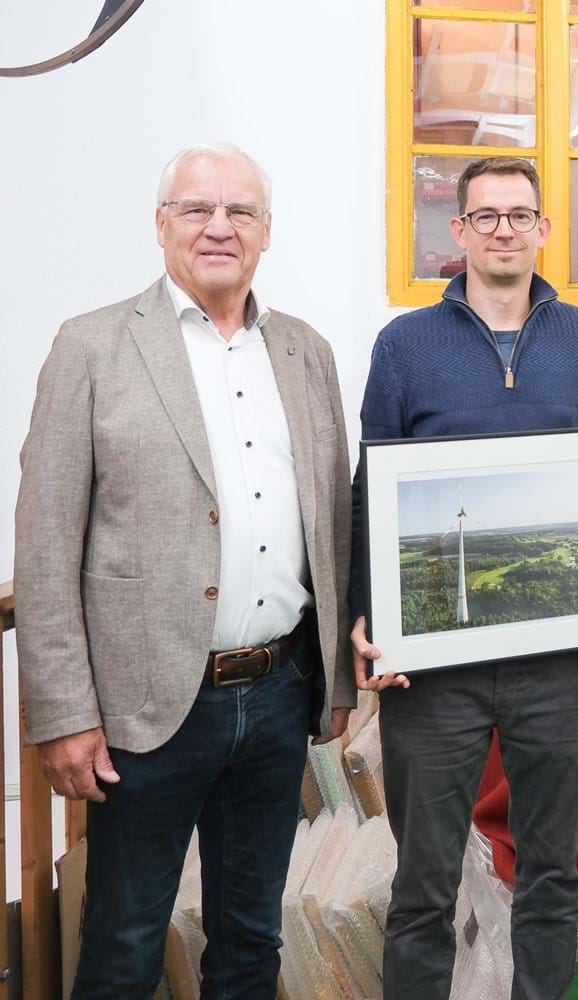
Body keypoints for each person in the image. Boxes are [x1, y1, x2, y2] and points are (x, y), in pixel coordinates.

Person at [14, 143, 354, 998]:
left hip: (278, 696)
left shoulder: (306, 352)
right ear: (160, 225)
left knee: (251, 939)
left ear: (266, 233)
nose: (218, 227)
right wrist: (62, 714)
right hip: (147, 708)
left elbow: (331, 521)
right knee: (126, 942)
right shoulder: (90, 348)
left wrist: (336, 679)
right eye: (197, 209)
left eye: (240, 211)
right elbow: (46, 543)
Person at [348, 156, 578, 1000]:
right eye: (485, 216)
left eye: (519, 214)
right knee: (423, 887)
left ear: (543, 229)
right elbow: (369, 489)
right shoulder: (404, 343)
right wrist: (366, 614)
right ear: (457, 233)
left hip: (556, 665)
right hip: (434, 671)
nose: (504, 229)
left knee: (552, 875)